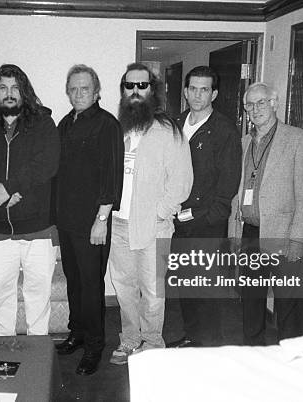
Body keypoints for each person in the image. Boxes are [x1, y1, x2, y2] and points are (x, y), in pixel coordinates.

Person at [108, 63, 193, 365]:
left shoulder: (168, 131)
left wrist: (162, 211)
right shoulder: (117, 127)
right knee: (124, 288)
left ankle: (154, 344)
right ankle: (130, 340)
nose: (135, 91)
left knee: (154, 291)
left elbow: (182, 180)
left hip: (155, 226)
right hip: (119, 224)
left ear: (151, 90)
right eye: (129, 85)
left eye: (141, 85)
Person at [0, 64, 60, 336]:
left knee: (38, 297)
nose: (9, 94)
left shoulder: (43, 124)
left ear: (24, 92)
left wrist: (9, 187)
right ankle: (3, 350)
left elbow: (47, 164)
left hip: (39, 229)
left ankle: (39, 355)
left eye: (15, 88)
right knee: (1, 296)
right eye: (3, 87)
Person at [228, 82, 303, 345]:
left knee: (286, 304)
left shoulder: (298, 139)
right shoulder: (244, 141)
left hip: (284, 234)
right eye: (250, 105)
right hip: (249, 234)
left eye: (261, 102)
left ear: (274, 104)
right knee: (251, 301)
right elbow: (238, 190)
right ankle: (253, 353)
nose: (255, 109)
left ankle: (289, 359)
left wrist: (299, 239)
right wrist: (234, 234)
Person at [165, 66, 242, 348]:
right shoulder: (175, 124)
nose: (198, 95)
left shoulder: (224, 131)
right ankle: (191, 338)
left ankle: (208, 349)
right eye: (193, 88)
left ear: (215, 94)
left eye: (205, 89)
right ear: (185, 92)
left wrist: (200, 219)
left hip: (206, 227)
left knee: (206, 292)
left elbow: (226, 191)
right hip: (177, 224)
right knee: (185, 287)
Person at [54, 65, 124, 375]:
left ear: (96, 92)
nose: (79, 94)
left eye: (85, 88)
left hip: (93, 222)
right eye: (74, 89)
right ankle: (77, 334)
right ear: (67, 92)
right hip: (67, 221)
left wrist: (102, 219)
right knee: (74, 282)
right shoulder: (65, 123)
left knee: (92, 285)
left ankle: (95, 346)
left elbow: (111, 175)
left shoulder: (107, 124)